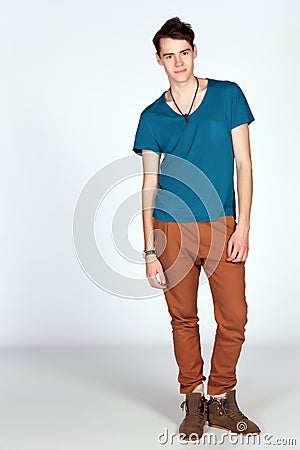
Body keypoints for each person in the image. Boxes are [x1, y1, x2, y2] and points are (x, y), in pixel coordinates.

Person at [132, 16, 261, 441]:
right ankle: (193, 399)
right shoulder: (152, 116)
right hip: (170, 228)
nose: (177, 62)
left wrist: (242, 226)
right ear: (159, 60)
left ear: (194, 52)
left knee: (234, 318)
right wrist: (150, 249)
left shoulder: (227, 96)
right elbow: (150, 181)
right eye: (168, 56)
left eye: (183, 53)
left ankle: (222, 398)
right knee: (183, 318)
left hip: (222, 223)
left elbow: (244, 164)